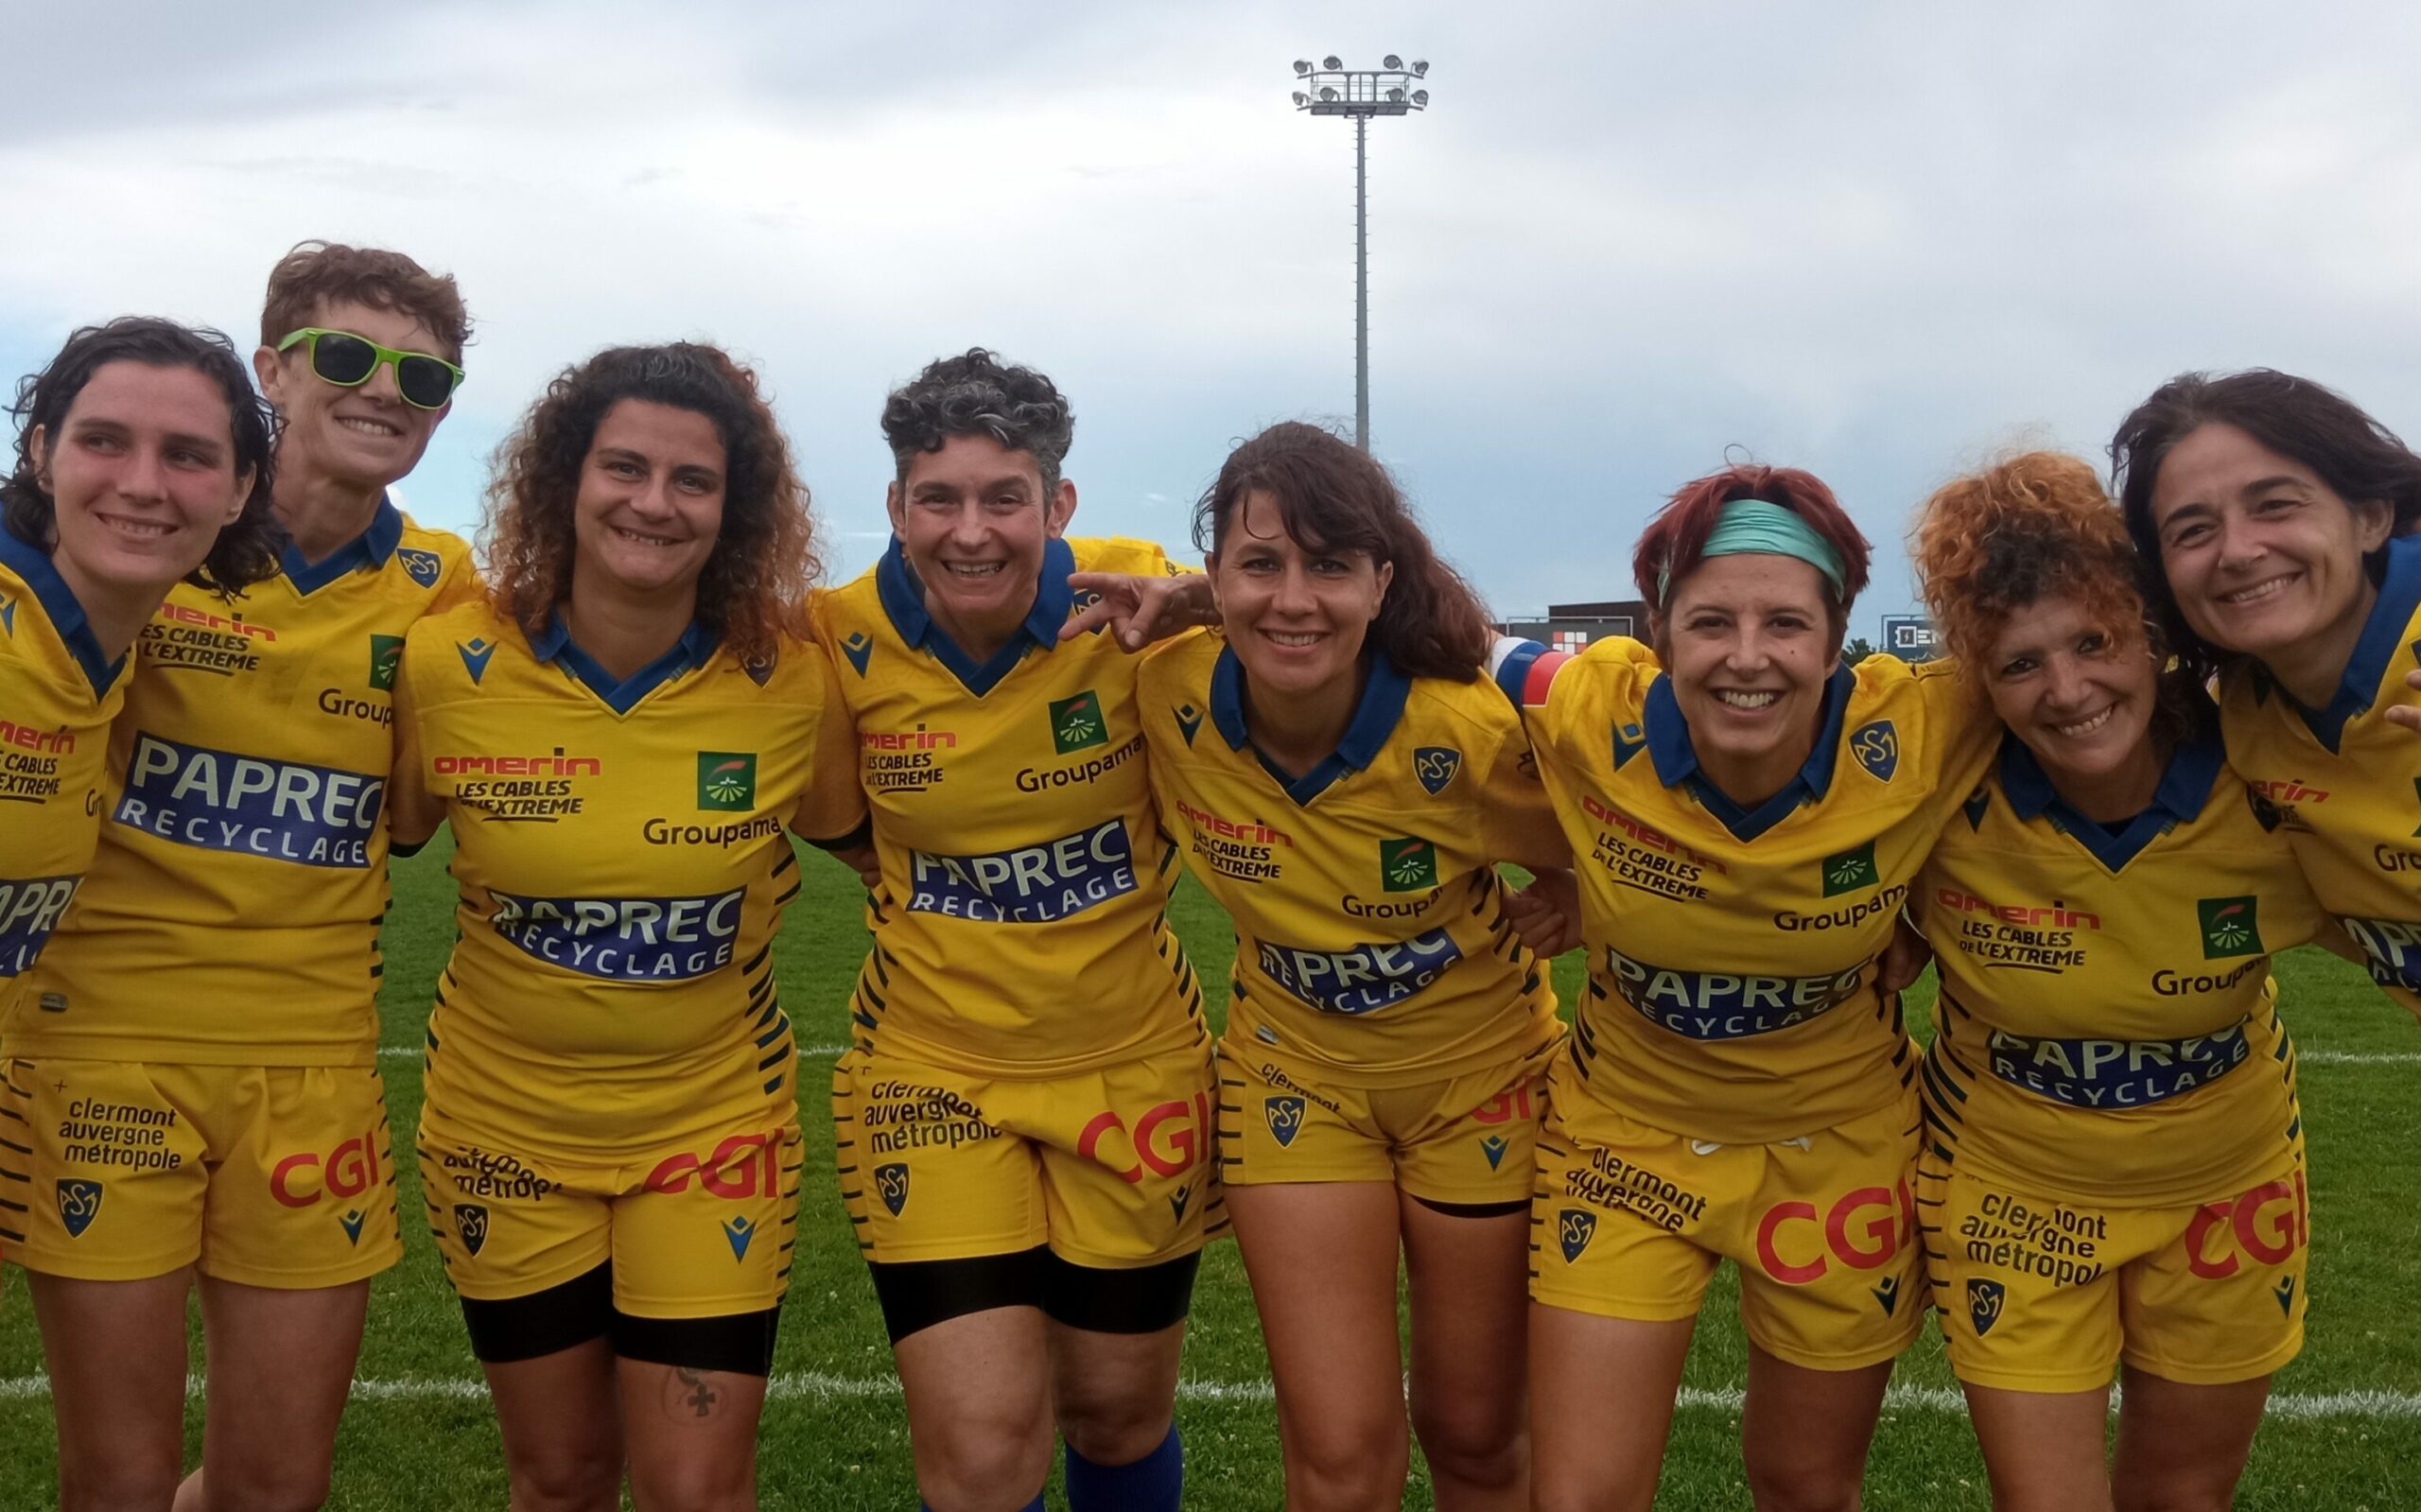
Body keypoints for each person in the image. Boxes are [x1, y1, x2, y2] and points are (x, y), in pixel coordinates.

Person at [9, 246, 477, 1512]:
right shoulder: (147, 541)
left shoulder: (446, 589)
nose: (383, 389)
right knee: (116, 1479)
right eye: (344, 355)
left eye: (423, 373)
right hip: (99, 1057)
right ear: (274, 368)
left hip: (315, 1067)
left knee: (277, 1483)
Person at [389, 341, 861, 1511]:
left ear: (733, 507)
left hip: (711, 1134)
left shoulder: (792, 681)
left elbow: (889, 847)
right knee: (559, 1478)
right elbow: (378, 836)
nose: (654, 504)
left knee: (698, 1488)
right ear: (567, 481)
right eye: (625, 468)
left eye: (691, 480)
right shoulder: (450, 659)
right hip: (500, 1131)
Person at [1491, 464, 1997, 1512]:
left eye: (1784, 622)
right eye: (1711, 621)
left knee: (1806, 1487)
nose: (1748, 657)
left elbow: (2113, 664)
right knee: (1579, 1496)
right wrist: (1204, 594)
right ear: (1659, 629)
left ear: (1837, 632)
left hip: (1840, 1146)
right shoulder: (1585, 706)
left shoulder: (1928, 726)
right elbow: (1436, 632)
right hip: (1624, 1139)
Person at [1130, 422, 1563, 1511]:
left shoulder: (1464, 731)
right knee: (1336, 1454)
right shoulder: (1165, 692)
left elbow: (1638, 839)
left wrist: (1580, 902)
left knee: (1474, 1438)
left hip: (1483, 1084)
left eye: (1328, 566)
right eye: (1259, 564)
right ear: (1213, 575)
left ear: (1380, 583)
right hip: (1295, 1080)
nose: (1292, 600)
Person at [811, 349, 1215, 1512]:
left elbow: (1318, 604)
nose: (971, 531)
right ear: (895, 508)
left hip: (1132, 1065)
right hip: (932, 1074)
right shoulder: (833, 643)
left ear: (1059, 506)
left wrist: (1197, 599)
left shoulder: (1144, 595)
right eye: (937, 499)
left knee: (1116, 1414)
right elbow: (850, 838)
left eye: (1004, 498)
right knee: (984, 1451)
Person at [1907, 450, 2332, 1511]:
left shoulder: (2270, 766)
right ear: (1973, 674)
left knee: (2183, 1498)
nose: (2067, 691)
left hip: (2227, 1185)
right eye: (2017, 665)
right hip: (2013, 1189)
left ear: (2147, 629)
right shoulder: (1930, 783)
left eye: (2093, 642)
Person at [0, 315, 280, 1271]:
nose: (144, 485)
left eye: (188, 455)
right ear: (42, 453)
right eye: (104, 441)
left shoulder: (95, 649)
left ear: (242, 489)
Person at [2113, 370, 2421, 1019]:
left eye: (2276, 504)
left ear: (2370, 516)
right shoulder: (2243, 713)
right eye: (2192, 530)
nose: (2239, 551)